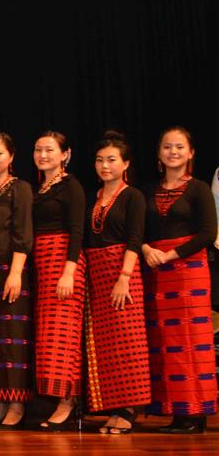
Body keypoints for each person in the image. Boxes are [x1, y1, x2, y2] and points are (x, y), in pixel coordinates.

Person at [141, 126, 216, 433]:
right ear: (159, 153)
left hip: (188, 272)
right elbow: (139, 230)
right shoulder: (148, 189)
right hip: (155, 271)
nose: (173, 152)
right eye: (167, 147)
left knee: (191, 343)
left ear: (191, 153)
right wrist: (146, 249)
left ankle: (196, 413)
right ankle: (174, 411)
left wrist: (170, 255)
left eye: (179, 147)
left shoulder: (198, 189)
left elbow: (208, 233)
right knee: (165, 343)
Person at [82, 131, 151, 434]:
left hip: (123, 272)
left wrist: (124, 277)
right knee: (106, 345)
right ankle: (114, 406)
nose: (104, 166)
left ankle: (130, 408)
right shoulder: (94, 197)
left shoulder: (132, 196)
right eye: (99, 160)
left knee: (129, 341)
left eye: (111, 160)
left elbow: (135, 239)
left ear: (125, 164)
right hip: (96, 272)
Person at [30, 130, 86, 430]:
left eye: (50, 150)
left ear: (65, 154)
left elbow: (77, 230)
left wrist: (69, 270)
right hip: (42, 263)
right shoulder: (40, 189)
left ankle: (69, 401)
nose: (43, 155)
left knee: (66, 337)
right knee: (49, 338)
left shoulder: (71, 186)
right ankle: (58, 399)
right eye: (38, 150)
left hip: (64, 264)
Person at [0, 133, 35, 428]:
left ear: (11, 157)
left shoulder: (20, 188)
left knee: (13, 339)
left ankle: (16, 403)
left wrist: (16, 271)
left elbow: (23, 233)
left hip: (10, 268)